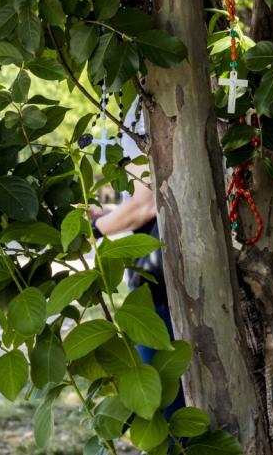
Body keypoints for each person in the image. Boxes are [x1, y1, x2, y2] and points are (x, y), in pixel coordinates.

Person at [88, 99, 185, 415]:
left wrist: (93, 230)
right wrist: (103, 212)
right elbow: (140, 193)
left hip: (164, 274)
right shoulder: (141, 101)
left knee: (166, 397)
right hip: (170, 268)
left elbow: (146, 203)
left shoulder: (149, 103)